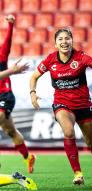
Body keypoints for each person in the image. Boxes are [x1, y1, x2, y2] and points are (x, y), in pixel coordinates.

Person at [29, 28, 92, 187]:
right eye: (60, 39)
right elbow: (34, 76)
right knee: (68, 131)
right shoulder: (50, 60)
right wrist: (33, 93)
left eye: (67, 38)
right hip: (62, 103)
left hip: (83, 105)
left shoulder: (81, 57)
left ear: (72, 41)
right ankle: (78, 173)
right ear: (55, 44)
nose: (64, 42)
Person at [0, 14, 36, 174]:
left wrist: (10, 25)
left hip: (5, 96)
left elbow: (7, 44)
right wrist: (11, 71)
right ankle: (28, 157)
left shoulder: (1, 56)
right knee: (11, 131)